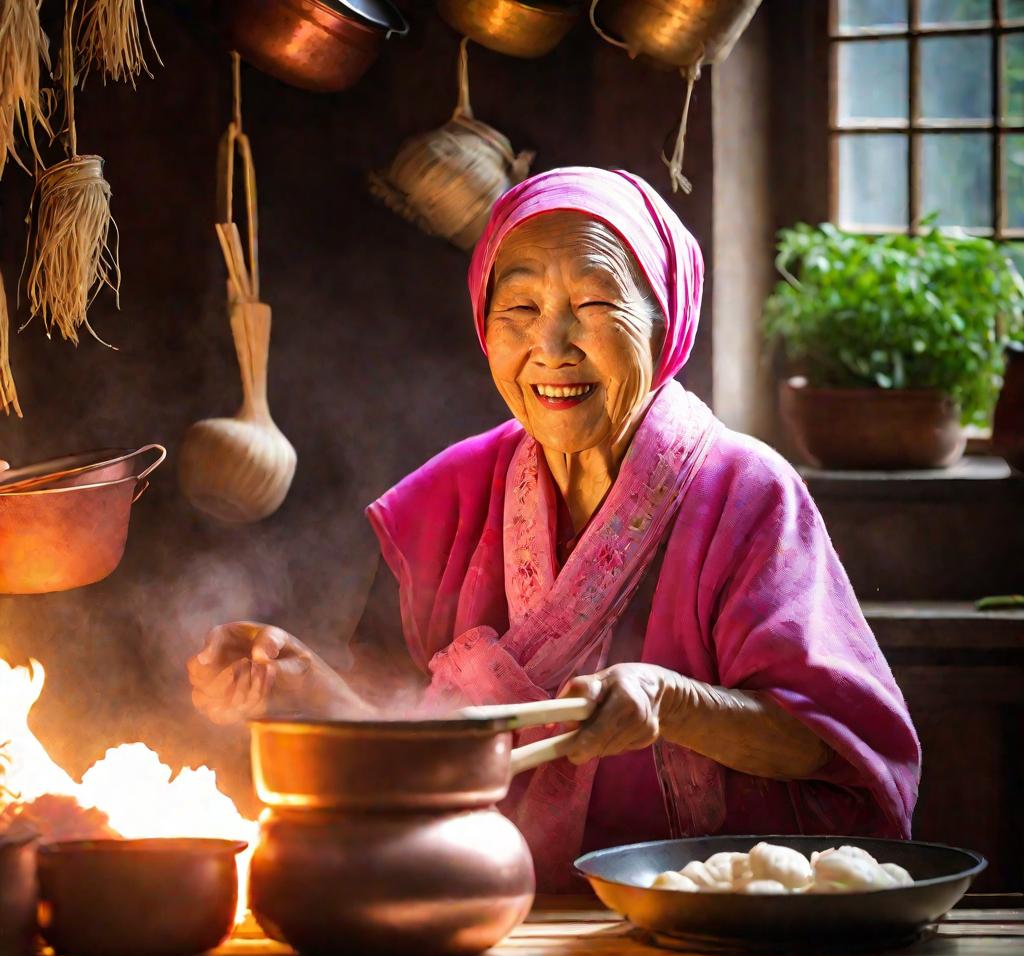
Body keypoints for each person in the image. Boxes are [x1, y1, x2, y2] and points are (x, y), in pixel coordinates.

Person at [189, 167, 921, 891]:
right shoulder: (445, 499)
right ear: (485, 324)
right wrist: (300, 685)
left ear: (666, 317)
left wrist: (674, 703)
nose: (553, 344)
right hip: (480, 904)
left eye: (595, 302)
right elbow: (405, 746)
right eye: (520, 308)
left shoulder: (746, 494)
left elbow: (831, 744)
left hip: (708, 913)